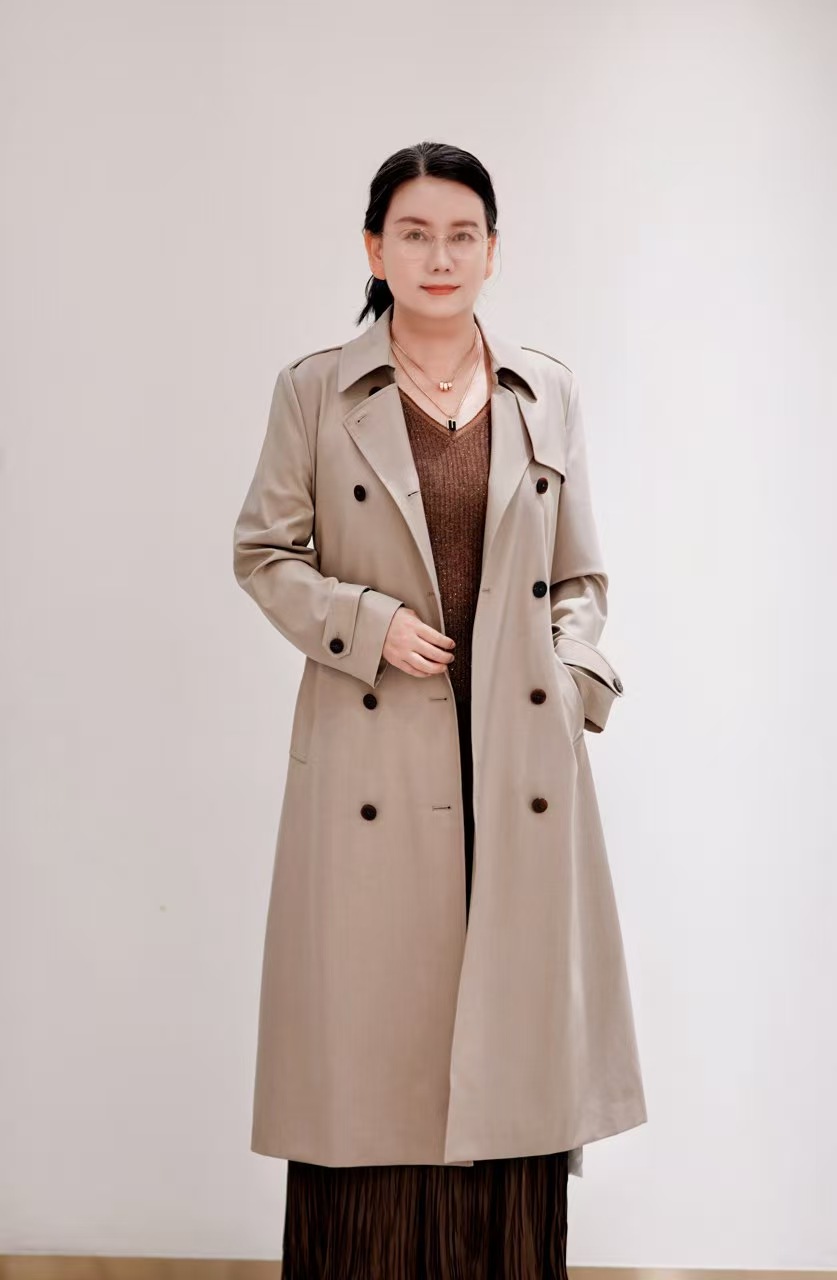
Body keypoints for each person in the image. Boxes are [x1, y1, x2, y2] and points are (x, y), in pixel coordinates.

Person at [233, 140, 646, 1279]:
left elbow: (580, 576)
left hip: (514, 763)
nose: (440, 255)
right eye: (414, 233)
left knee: (513, 1041)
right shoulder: (317, 390)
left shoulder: (543, 390)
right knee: (373, 1049)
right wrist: (362, 623)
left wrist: (572, 685)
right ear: (375, 249)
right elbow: (264, 552)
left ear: (493, 251)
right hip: (373, 750)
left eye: (463, 234)